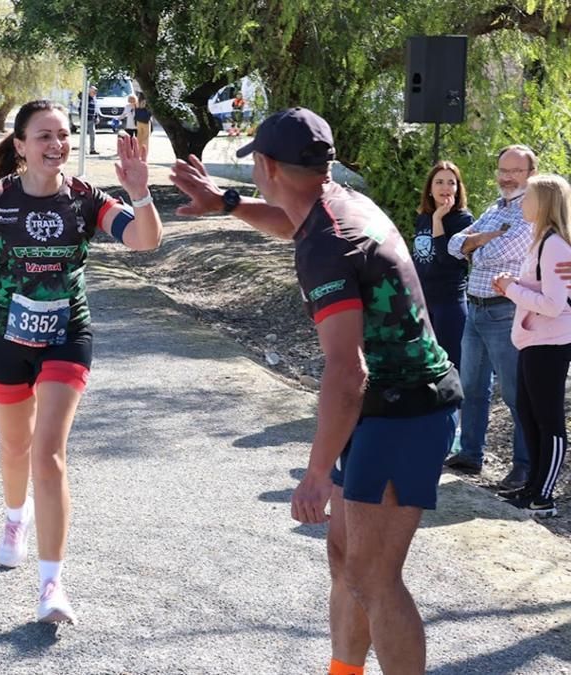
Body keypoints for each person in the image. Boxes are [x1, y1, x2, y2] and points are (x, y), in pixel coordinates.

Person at [168, 108, 460, 674]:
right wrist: (226, 204)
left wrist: (317, 471)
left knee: (374, 578)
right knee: (346, 560)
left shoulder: (329, 242)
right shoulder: (336, 205)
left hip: (407, 407)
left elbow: (347, 373)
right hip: (386, 406)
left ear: (267, 166)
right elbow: (290, 223)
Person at [0, 101, 162, 624]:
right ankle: (15, 519)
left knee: (49, 454)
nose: (56, 144)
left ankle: (51, 585)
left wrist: (140, 192)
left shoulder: (84, 198)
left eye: (63, 135)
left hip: (67, 336)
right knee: (15, 445)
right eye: (44, 136)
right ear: (20, 145)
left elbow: (146, 240)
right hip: (4, 338)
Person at [443, 145, 537, 490]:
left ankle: (524, 467)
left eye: (516, 171)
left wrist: (474, 244)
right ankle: (470, 453)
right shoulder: (495, 208)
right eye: (503, 169)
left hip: (505, 311)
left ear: (531, 174)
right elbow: (453, 244)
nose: (507, 176)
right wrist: (481, 240)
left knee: (515, 393)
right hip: (475, 308)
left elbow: (488, 256)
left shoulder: (531, 212)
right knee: (472, 387)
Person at [492, 174, 571, 517]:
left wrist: (510, 288)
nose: (521, 202)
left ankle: (544, 495)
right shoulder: (539, 241)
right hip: (532, 340)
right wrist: (512, 287)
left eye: (528, 197)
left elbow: (554, 304)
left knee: (547, 418)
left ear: (544, 203)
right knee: (528, 412)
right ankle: (532, 488)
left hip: (550, 343)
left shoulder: (554, 244)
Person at [412, 161, 474, 369]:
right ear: (430, 188)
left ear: (458, 188)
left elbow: (447, 259)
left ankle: (454, 403)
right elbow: (420, 259)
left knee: (451, 364)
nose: (445, 188)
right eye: (439, 182)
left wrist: (438, 221)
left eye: (451, 182)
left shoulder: (463, 221)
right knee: (425, 364)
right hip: (423, 302)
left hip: (449, 304)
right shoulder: (422, 217)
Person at [85, 85, 98, 154]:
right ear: (90, 91)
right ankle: (84, 150)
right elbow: (81, 109)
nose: (95, 93)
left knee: (92, 135)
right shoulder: (86, 98)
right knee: (84, 136)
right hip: (85, 120)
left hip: (91, 120)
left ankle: (92, 149)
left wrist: (96, 117)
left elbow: (95, 109)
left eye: (95, 91)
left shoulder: (94, 99)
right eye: (94, 91)